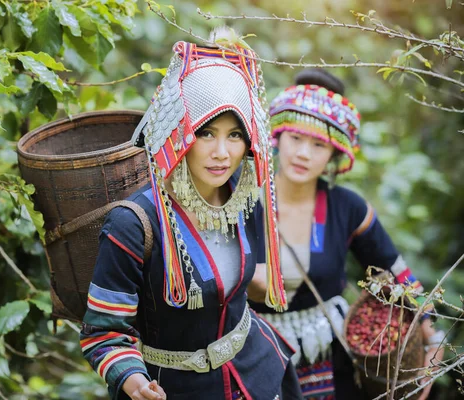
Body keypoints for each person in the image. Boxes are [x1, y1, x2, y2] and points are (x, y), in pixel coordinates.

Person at [79, 29, 304, 400]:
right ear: (178, 131)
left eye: (235, 135)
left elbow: (253, 287)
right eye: (206, 132)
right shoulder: (133, 225)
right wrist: (134, 382)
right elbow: (102, 334)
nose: (222, 152)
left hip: (257, 373)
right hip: (172, 388)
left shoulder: (244, 202)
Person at [248, 68, 445, 400]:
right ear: (277, 137)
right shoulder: (241, 198)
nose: (304, 154)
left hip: (330, 363)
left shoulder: (347, 207)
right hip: (252, 356)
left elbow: (398, 275)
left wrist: (433, 344)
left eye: (318, 145)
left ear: (335, 156)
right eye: (295, 138)